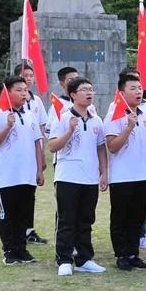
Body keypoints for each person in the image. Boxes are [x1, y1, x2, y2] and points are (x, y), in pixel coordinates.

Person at [47, 77, 107, 275]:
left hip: (89, 178)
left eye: (91, 89)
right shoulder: (63, 117)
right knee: (67, 220)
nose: (89, 93)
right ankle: (64, 259)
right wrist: (70, 130)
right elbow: (53, 146)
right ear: (73, 95)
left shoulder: (96, 120)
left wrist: (104, 172)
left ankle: (84, 259)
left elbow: (101, 148)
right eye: (84, 90)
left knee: (86, 219)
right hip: (67, 177)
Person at [0, 76, 45, 264]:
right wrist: (7, 126)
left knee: (23, 215)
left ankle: (21, 249)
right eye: (18, 90)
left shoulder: (30, 116)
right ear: (7, 92)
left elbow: (37, 144)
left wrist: (39, 169)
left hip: (27, 175)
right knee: (7, 215)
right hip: (7, 176)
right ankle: (9, 251)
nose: (23, 93)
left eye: (25, 90)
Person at [104, 73, 146, 271]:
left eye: (139, 88)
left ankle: (133, 253)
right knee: (120, 217)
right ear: (122, 92)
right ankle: (121, 254)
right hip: (122, 176)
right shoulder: (114, 115)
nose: (138, 91)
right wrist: (128, 128)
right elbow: (112, 147)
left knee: (137, 216)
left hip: (143, 175)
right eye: (133, 88)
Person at [13, 62, 49, 245]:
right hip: (18, 154)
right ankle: (16, 231)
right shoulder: (11, 103)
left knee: (30, 193)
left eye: (30, 75)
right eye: (24, 75)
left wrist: (42, 154)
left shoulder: (36, 101)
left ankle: (29, 230)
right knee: (16, 194)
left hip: (34, 153)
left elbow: (42, 128)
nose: (28, 79)